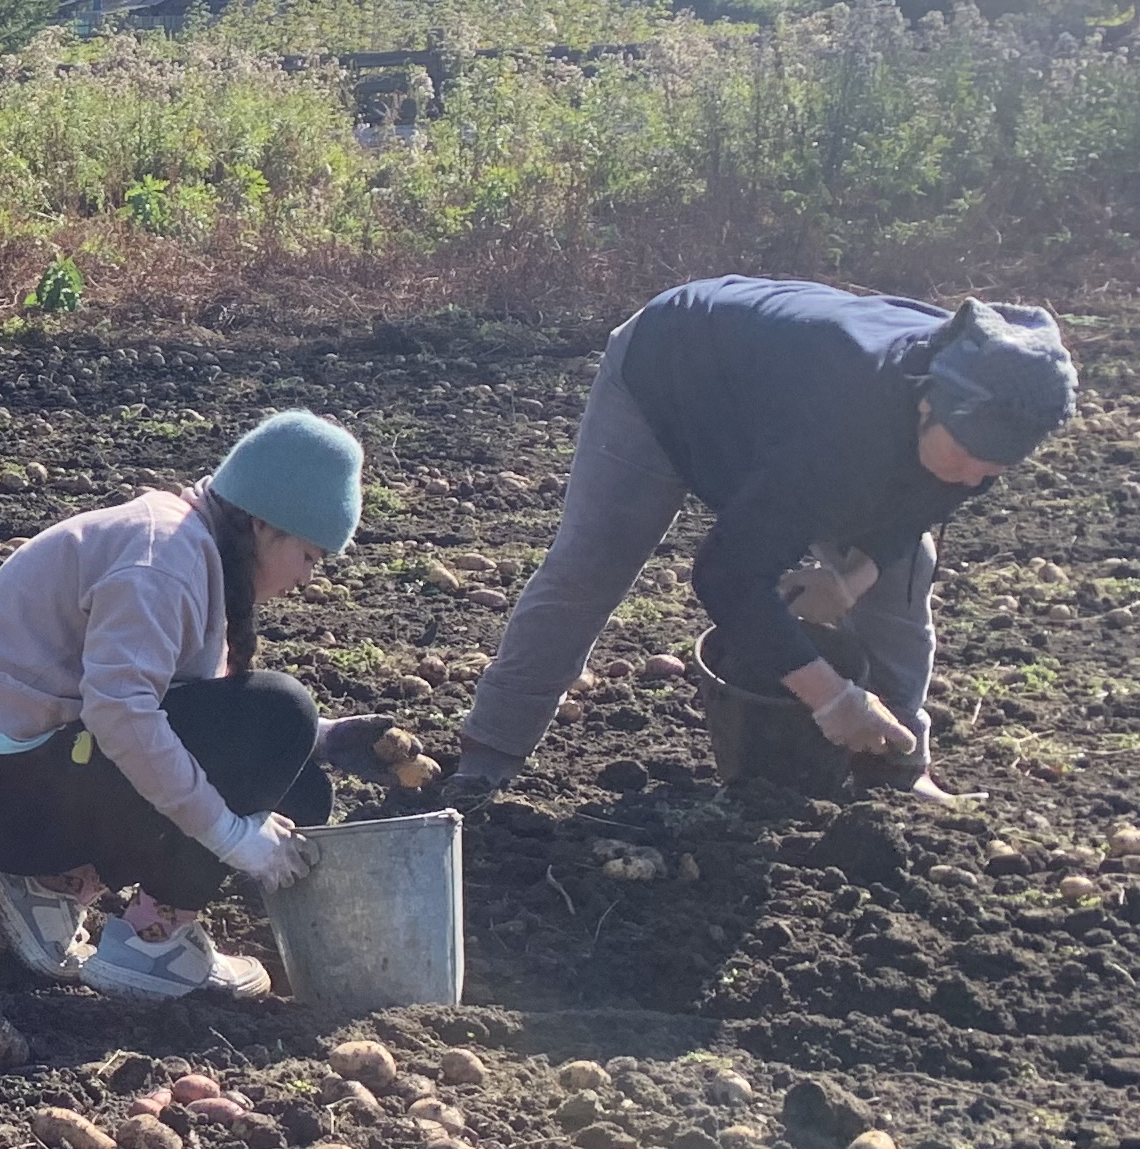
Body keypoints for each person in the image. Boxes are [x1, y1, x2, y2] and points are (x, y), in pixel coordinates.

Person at [450, 279, 1078, 803]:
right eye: (967, 456)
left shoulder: (989, 414)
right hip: (672, 374)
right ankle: (490, 750)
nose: (975, 478)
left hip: (780, 408)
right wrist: (832, 700)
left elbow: (913, 515)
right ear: (928, 405)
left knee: (900, 589)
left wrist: (850, 580)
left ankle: (896, 772)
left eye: (991, 470)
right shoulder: (843, 419)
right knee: (593, 561)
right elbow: (726, 576)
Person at [0, 410, 371, 1003]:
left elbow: (184, 705)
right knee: (281, 712)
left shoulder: (193, 550)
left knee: (301, 781)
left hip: (12, 777)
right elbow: (122, 714)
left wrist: (326, 738)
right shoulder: (164, 558)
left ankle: (48, 886)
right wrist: (231, 838)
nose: (308, 578)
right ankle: (151, 944)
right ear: (265, 525)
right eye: (310, 556)